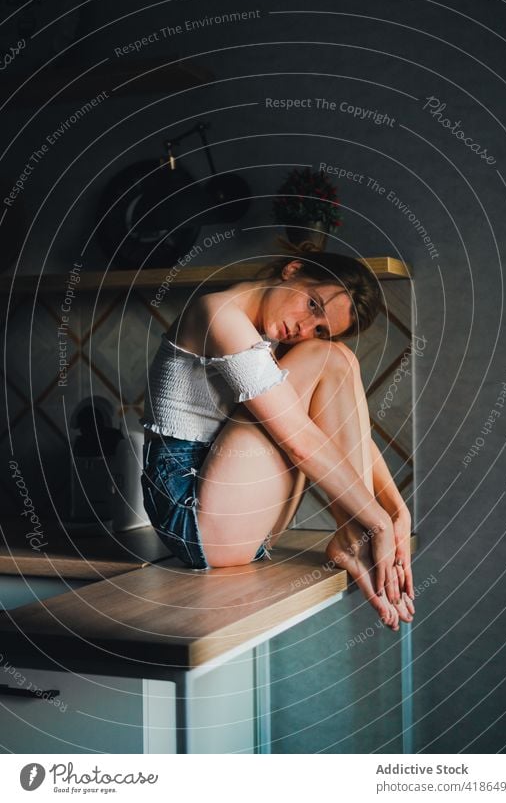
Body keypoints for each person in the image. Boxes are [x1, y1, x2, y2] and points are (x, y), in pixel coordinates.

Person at [140, 240, 415, 630]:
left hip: (237, 517)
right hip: (189, 512)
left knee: (338, 358)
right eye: (313, 305)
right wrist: (377, 522)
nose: (305, 328)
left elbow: (332, 430)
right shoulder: (217, 313)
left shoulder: (268, 342)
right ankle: (354, 535)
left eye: (319, 327)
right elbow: (299, 440)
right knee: (329, 357)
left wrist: (394, 509)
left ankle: (351, 536)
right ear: (292, 270)